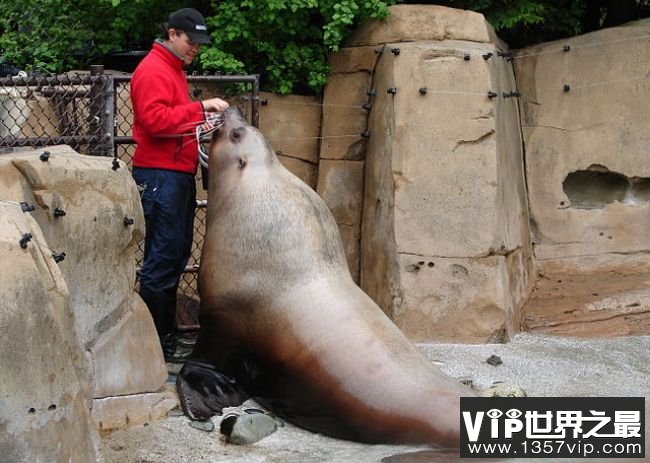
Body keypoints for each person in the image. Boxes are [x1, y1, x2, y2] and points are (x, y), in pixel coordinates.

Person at [130, 7, 229, 362]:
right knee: (162, 263)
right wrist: (200, 110)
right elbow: (155, 122)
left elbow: (171, 121)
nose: (195, 48)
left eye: (199, 43)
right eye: (191, 41)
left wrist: (199, 122)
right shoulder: (154, 70)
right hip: (160, 177)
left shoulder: (172, 70)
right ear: (172, 34)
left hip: (174, 175)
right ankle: (154, 347)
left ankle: (165, 340)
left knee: (172, 258)